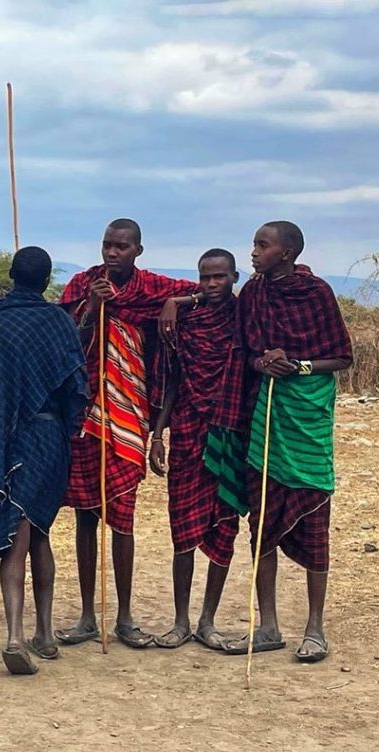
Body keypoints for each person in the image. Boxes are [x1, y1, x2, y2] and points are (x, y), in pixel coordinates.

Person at [55, 218, 198, 649]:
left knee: (122, 517)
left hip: (130, 415)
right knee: (84, 514)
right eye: (107, 245)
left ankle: (124, 616)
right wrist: (92, 310)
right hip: (86, 414)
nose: (112, 253)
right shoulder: (83, 284)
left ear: (138, 250)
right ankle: (85, 615)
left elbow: (207, 293)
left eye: (121, 246)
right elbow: (65, 342)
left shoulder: (150, 288)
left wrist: (176, 302)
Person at [224, 221, 352, 662]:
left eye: (263, 245)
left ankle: (315, 628)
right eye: (254, 243)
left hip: (307, 414)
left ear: (288, 251)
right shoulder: (255, 294)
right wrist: (264, 360)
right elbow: (244, 351)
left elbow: (341, 356)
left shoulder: (316, 294)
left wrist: (295, 365)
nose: (254, 252)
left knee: (314, 517)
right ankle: (269, 626)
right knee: (262, 522)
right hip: (267, 412)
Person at [0, 247, 88, 675]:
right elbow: (77, 385)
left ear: (11, 277)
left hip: (5, 439)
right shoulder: (60, 322)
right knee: (38, 532)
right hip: (50, 438)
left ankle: (17, 636)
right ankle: (46, 634)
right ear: (45, 279)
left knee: (16, 535)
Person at [148, 249, 247, 651]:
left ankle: (208, 620)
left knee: (224, 526)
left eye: (219, 277)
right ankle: (180, 620)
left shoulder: (246, 319)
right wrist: (157, 434)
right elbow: (171, 381)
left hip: (230, 433)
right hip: (188, 432)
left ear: (234, 277)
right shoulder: (187, 321)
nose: (211, 285)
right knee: (182, 528)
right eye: (204, 277)